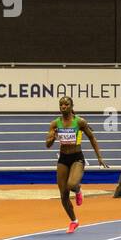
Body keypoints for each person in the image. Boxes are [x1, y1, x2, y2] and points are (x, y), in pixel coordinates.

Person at [44, 96, 108, 233]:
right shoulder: (55, 124)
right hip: (63, 159)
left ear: (72, 106)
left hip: (76, 158)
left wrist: (99, 157)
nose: (63, 107)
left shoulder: (79, 122)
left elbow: (92, 137)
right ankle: (74, 221)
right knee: (63, 195)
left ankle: (78, 190)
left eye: (66, 104)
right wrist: (52, 138)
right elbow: (47, 145)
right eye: (61, 105)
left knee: (71, 185)